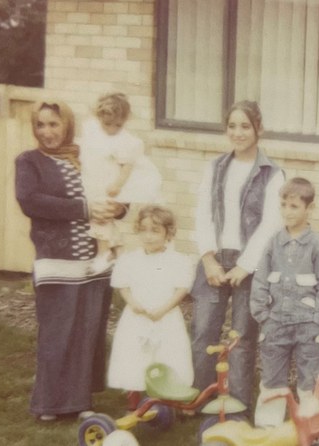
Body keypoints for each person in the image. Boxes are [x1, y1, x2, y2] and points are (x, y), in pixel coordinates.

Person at [15, 99, 126, 421]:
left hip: (94, 261)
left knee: (87, 330)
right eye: (41, 124)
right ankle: (49, 403)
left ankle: (79, 400)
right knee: (57, 330)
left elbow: (117, 190)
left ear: (67, 125)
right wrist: (84, 210)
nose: (47, 131)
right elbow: (30, 201)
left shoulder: (86, 156)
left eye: (54, 124)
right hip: (57, 261)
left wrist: (119, 208)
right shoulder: (29, 161)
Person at [191, 100, 284, 415]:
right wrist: (207, 258)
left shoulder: (272, 173)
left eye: (245, 126)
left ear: (259, 128)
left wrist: (245, 266)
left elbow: (272, 223)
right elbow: (202, 213)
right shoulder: (215, 167)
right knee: (204, 329)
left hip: (250, 264)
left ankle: (238, 406)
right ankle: (199, 398)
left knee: (242, 338)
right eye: (232, 126)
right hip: (215, 259)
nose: (238, 132)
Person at [250, 177, 319, 426]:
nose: (287, 212)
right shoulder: (273, 243)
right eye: (284, 205)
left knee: (311, 381)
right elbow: (261, 280)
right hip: (275, 324)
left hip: (308, 326)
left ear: (309, 209)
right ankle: (269, 430)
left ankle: (312, 429)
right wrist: (262, 314)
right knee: (272, 379)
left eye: (294, 206)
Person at [107, 205, 195, 411]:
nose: (149, 236)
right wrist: (133, 303)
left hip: (165, 316)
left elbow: (181, 289)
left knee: (168, 354)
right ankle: (134, 398)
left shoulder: (178, 260)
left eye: (155, 231)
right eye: (144, 230)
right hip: (138, 317)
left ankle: (168, 398)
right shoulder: (130, 260)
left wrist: (164, 309)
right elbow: (123, 285)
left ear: (168, 233)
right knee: (134, 355)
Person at [79, 92, 163, 273]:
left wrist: (117, 185)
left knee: (100, 217)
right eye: (107, 124)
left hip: (112, 186)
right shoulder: (94, 132)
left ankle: (103, 254)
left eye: (118, 125)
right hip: (97, 182)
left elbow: (127, 166)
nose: (112, 129)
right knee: (103, 217)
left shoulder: (125, 141)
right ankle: (118, 251)